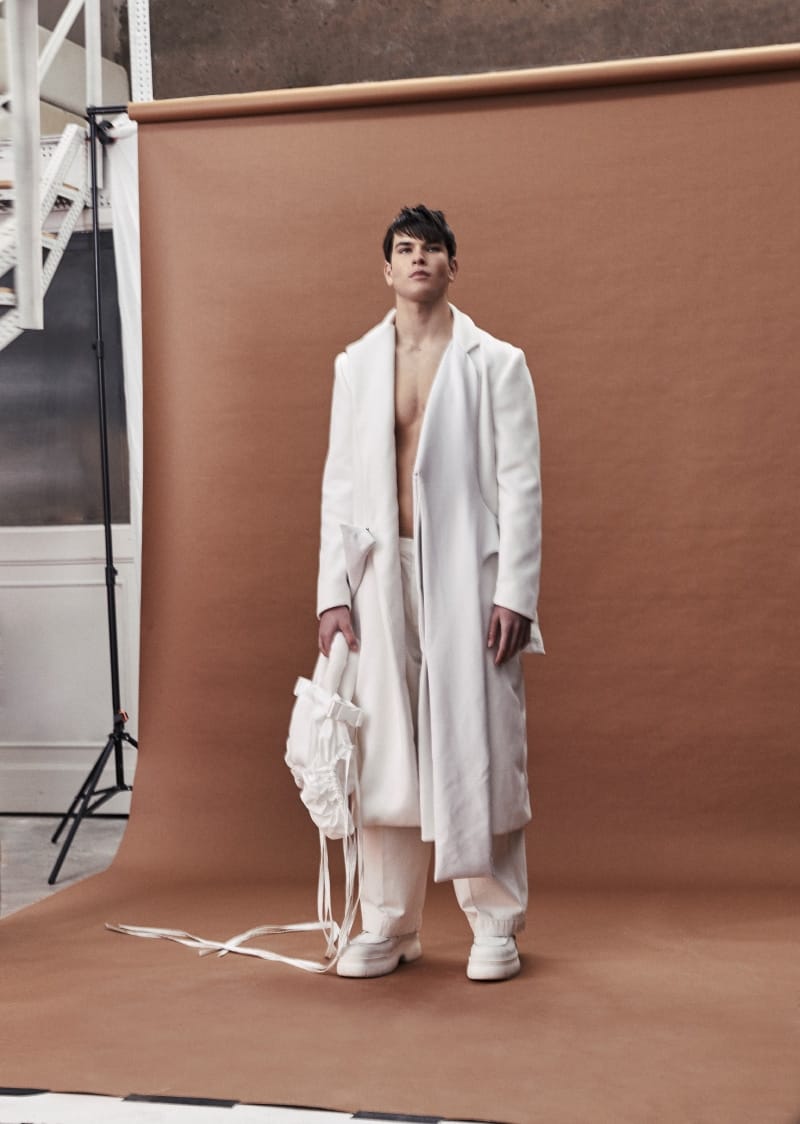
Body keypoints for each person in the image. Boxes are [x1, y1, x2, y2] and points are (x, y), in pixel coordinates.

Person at [316, 205, 543, 981]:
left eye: (433, 248)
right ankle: (390, 925)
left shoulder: (496, 362)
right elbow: (340, 486)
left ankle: (495, 924)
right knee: (383, 747)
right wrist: (332, 593)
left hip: (469, 576)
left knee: (482, 743)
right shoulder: (355, 365)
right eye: (405, 249)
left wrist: (516, 593)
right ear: (387, 269)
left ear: (452, 265)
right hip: (381, 577)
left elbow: (522, 486)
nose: (419, 258)